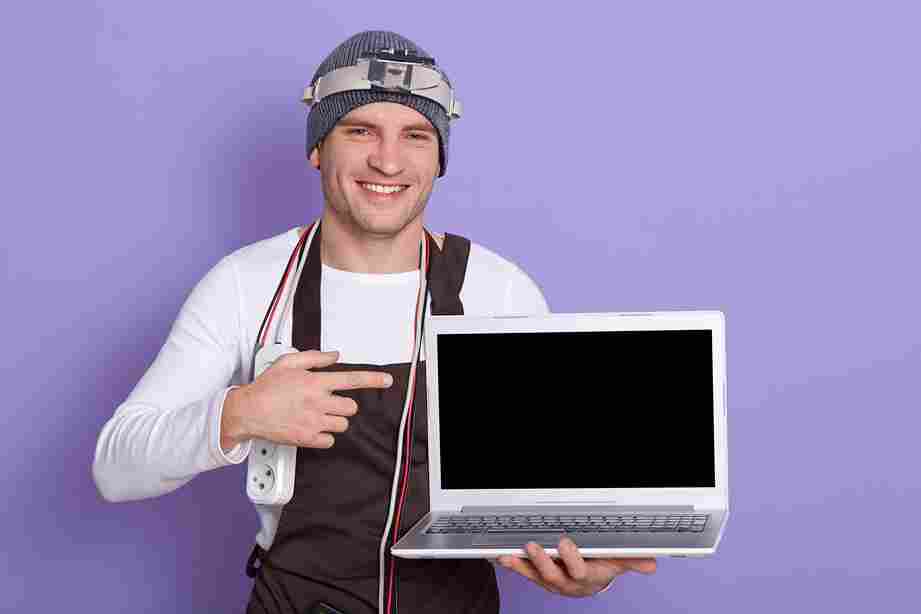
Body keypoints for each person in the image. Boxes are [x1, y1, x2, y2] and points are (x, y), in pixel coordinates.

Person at [92, 30, 656, 614]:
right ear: (317, 149)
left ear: (439, 157)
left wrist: (589, 571)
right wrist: (238, 413)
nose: (387, 160)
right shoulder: (248, 283)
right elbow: (115, 467)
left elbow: (545, 491)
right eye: (359, 130)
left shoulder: (499, 291)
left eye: (415, 136)